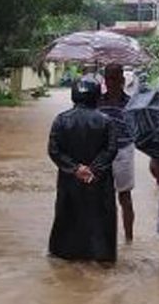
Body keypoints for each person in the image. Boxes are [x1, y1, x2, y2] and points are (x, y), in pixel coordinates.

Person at [48, 75, 119, 262]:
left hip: (70, 181)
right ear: (97, 96)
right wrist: (93, 170)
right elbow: (111, 150)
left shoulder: (61, 120)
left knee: (67, 218)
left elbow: (54, 150)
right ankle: (100, 257)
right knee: (100, 222)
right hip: (98, 181)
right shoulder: (107, 121)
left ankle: (65, 256)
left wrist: (75, 169)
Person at [99, 64, 135, 242]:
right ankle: (105, 238)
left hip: (124, 152)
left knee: (125, 196)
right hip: (103, 153)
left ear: (122, 80)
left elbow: (137, 130)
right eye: (108, 78)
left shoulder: (131, 104)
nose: (111, 82)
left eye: (115, 78)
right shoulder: (97, 102)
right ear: (104, 80)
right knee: (102, 196)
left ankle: (129, 239)